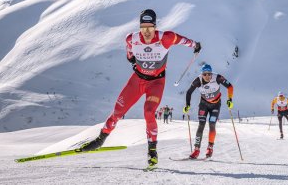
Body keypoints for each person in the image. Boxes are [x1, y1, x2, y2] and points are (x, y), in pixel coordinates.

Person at [77, 9, 201, 167]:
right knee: (117, 112)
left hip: (156, 83)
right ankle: (100, 140)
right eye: (143, 28)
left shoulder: (166, 38)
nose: (147, 32)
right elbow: (129, 55)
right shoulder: (132, 39)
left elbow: (184, 41)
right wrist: (133, 60)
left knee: (149, 112)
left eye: (150, 28)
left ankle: (152, 151)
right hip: (137, 80)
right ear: (139, 27)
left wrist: (196, 45)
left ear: (155, 27)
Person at [183, 64, 233, 159]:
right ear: (202, 74)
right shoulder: (198, 80)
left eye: (209, 74)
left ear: (211, 73)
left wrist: (230, 100)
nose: (207, 76)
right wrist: (187, 105)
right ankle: (196, 150)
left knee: (212, 124)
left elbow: (230, 87)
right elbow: (189, 92)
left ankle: (210, 147)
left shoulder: (217, 78)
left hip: (216, 104)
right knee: (201, 124)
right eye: (205, 74)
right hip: (204, 104)